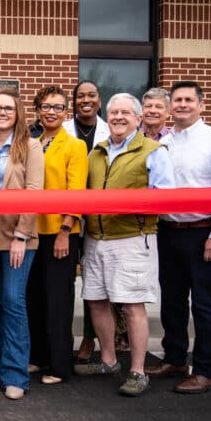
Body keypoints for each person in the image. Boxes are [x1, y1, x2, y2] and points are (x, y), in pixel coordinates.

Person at [77, 93, 175, 397]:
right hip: (96, 239)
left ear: (138, 118)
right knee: (95, 299)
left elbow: (164, 197)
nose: (118, 117)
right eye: (114, 112)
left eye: (125, 113)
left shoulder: (154, 150)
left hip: (133, 239)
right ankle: (108, 360)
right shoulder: (97, 151)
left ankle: (137, 370)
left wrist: (126, 205)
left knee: (132, 306)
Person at [148, 81, 211, 394]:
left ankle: (204, 370)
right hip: (167, 231)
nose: (182, 105)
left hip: (202, 232)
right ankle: (174, 358)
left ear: (201, 105)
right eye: (177, 100)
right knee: (171, 301)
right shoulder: (164, 141)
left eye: (189, 100)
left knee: (203, 303)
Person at [0, 87, 44, 401]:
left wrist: (21, 236)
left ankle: (15, 375)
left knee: (14, 300)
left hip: (16, 231)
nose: (2, 112)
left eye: (9, 108)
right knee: (0, 298)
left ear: (18, 114)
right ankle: (0, 360)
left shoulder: (30, 146)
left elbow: (34, 193)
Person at [25, 85, 87, 385]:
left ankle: (59, 365)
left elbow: (76, 192)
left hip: (59, 232)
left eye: (58, 107)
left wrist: (65, 230)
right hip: (31, 232)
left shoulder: (74, 146)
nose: (51, 111)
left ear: (66, 112)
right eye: (46, 106)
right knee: (33, 298)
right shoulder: (31, 141)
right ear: (37, 110)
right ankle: (38, 357)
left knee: (57, 300)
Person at [62, 79, 115, 364]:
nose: (86, 100)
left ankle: (89, 338)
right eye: (80, 96)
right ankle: (64, 336)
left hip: (97, 217)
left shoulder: (110, 130)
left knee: (94, 283)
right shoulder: (64, 130)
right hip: (67, 216)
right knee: (66, 279)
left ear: (99, 100)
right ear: (74, 101)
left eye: (91, 95)